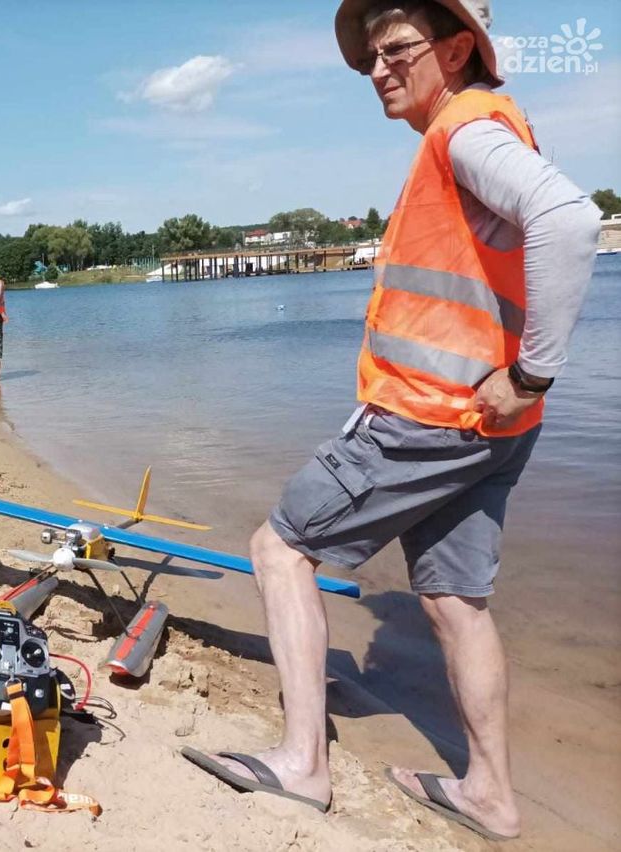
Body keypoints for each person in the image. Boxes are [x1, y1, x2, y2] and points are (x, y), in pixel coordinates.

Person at [180, 1, 601, 841]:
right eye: (371, 55)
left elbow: (571, 220)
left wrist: (533, 371)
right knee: (453, 602)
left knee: (282, 548)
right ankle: (491, 795)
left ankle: (303, 765)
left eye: (398, 49)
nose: (378, 68)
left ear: (456, 49)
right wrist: (519, 387)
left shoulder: (466, 130)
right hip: (489, 428)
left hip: (428, 417)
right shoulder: (481, 130)